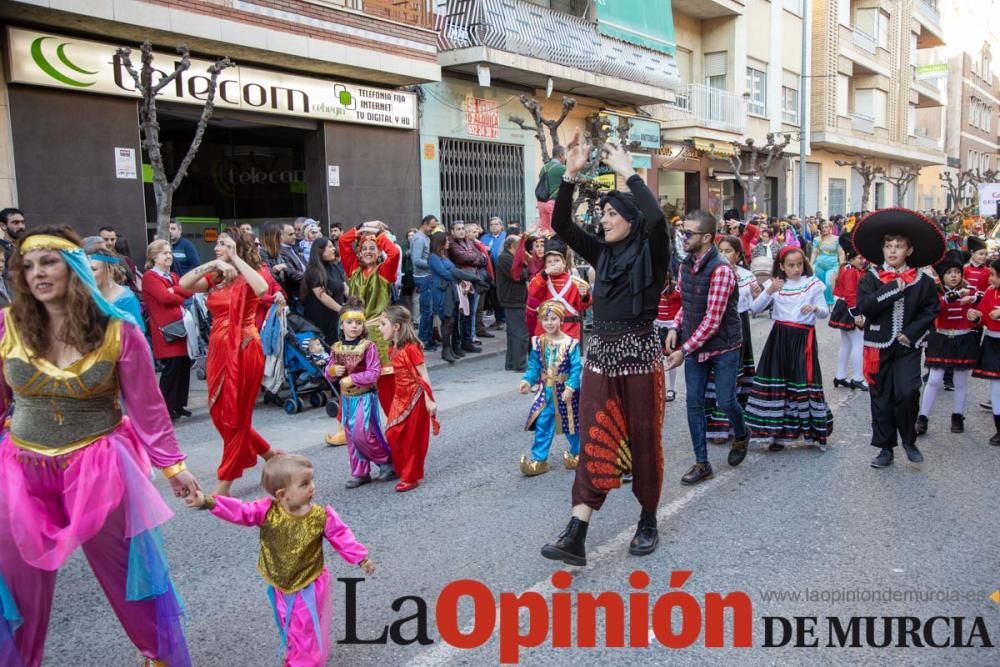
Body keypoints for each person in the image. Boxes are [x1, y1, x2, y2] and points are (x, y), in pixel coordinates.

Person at [0, 226, 199, 667]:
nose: (37, 274)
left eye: (48, 262)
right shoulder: (6, 326)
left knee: (130, 576)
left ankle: (158, 655)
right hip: (20, 469)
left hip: (98, 466)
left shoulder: (118, 331)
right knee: (16, 586)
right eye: (28, 266)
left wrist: (174, 468)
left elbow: (148, 409)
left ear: (73, 268)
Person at [541, 133, 669, 566]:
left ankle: (647, 518)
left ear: (631, 220)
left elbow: (658, 219)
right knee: (596, 434)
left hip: (640, 358)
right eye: (603, 212)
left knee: (644, 440)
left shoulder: (653, 251)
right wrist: (570, 178)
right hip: (600, 360)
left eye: (612, 213)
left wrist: (629, 174)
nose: (604, 219)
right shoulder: (601, 254)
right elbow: (560, 226)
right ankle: (576, 531)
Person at [186, 454, 374, 667]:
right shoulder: (266, 511)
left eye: (311, 481)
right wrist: (207, 502)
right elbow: (240, 511)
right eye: (304, 484)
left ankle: (304, 663)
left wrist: (361, 557)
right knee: (289, 622)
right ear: (282, 494)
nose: (312, 487)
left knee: (305, 625)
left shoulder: (321, 516)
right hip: (280, 583)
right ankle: (298, 654)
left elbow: (341, 535)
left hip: (309, 583)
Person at [180, 227, 279, 496]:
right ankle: (270, 454)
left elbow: (261, 289)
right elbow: (183, 284)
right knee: (218, 412)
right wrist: (214, 264)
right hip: (218, 348)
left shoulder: (251, 272)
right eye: (217, 245)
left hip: (244, 347)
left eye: (222, 244)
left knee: (235, 416)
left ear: (236, 246)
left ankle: (225, 480)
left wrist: (236, 260)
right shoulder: (216, 277)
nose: (216, 247)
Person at [853, 209, 943, 468]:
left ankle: (909, 440)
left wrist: (912, 333)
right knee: (881, 399)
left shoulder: (921, 280)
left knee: (907, 393)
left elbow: (931, 309)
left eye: (899, 246)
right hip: (877, 348)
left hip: (907, 347)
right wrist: (892, 289)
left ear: (909, 251)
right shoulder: (870, 278)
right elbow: (865, 307)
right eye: (888, 246)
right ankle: (885, 448)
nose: (892, 251)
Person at [665, 213, 749, 485]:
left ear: (706, 238)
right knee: (694, 403)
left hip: (723, 345)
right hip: (695, 346)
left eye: (689, 233)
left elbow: (713, 320)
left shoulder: (721, 270)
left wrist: (683, 350)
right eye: (682, 231)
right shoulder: (685, 265)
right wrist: (675, 327)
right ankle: (702, 463)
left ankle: (741, 433)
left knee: (726, 401)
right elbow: (686, 303)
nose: (683, 237)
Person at [744, 247, 832, 451]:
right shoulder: (775, 284)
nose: (796, 269)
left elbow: (824, 312)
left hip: (803, 339)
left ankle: (812, 433)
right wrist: (769, 290)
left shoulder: (812, 284)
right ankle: (776, 435)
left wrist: (815, 308)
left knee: (802, 383)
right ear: (781, 266)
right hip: (779, 338)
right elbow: (755, 308)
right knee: (778, 384)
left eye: (799, 264)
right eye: (791, 265)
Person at [326, 300, 394, 488]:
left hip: (365, 396)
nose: (354, 326)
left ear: (363, 325)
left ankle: (385, 459)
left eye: (358, 322)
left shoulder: (368, 346)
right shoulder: (336, 347)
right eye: (350, 322)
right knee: (350, 435)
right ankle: (360, 472)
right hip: (347, 399)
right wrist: (332, 371)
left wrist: (353, 378)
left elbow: (374, 372)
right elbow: (328, 373)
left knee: (362, 432)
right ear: (342, 325)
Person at [703, 235, 760, 445]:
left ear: (737, 254)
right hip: (718, 326)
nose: (725, 254)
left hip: (739, 325)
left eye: (729, 251)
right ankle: (715, 425)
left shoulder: (747, 276)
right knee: (717, 376)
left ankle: (736, 424)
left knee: (736, 375)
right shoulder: (713, 273)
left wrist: (758, 294)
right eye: (722, 250)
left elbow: (756, 307)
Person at [378, 306, 440, 492]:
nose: (379, 328)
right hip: (400, 397)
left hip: (415, 396)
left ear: (396, 327)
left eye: (383, 324)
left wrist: (429, 399)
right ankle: (403, 468)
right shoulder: (393, 349)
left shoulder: (412, 348)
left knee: (412, 439)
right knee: (393, 433)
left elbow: (423, 374)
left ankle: (410, 476)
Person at [917, 252, 980, 436]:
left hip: (963, 339)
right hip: (941, 338)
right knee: (934, 380)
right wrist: (950, 298)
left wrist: (975, 317)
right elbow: (934, 309)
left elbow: (979, 314)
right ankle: (923, 418)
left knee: (960, 381)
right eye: (949, 272)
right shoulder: (936, 291)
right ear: (942, 275)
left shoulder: (971, 291)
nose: (954, 275)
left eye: (957, 272)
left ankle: (958, 416)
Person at [518, 300, 582, 476]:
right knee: (543, 424)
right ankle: (539, 460)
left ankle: (580, 453)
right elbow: (533, 366)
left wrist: (570, 387)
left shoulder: (570, 343)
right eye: (545, 319)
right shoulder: (539, 342)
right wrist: (527, 381)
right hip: (545, 393)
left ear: (561, 320)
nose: (549, 323)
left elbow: (576, 368)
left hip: (566, 394)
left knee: (571, 426)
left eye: (553, 319)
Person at [339, 221, 401, 378]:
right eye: (364, 249)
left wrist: (378, 234)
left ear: (379, 251)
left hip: (378, 333)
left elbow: (394, 253)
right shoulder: (353, 270)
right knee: (357, 377)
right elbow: (343, 241)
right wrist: (362, 227)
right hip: (355, 332)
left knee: (383, 378)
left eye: (372, 248)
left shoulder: (384, 272)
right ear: (359, 253)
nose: (368, 252)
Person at [142, 239, 195, 419]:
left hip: (181, 327)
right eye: (165, 253)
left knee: (183, 366)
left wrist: (175, 290)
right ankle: (165, 407)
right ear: (154, 256)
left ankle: (178, 404)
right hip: (166, 330)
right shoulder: (150, 276)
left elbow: (189, 291)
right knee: (171, 369)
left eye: (170, 253)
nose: (169, 256)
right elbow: (165, 297)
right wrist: (176, 292)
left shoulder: (172, 276)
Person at [427, 231, 488, 364]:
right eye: (446, 241)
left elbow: (451, 271)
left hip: (452, 289)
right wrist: (457, 274)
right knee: (447, 320)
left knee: (452, 320)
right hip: (442, 291)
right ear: (440, 243)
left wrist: (456, 274)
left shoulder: (444, 256)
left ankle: (451, 348)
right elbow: (445, 274)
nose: (448, 242)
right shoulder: (433, 257)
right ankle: (446, 349)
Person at [526, 238, 590, 340]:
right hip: (546, 331)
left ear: (564, 263)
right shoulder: (542, 279)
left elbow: (582, 306)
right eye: (549, 261)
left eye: (556, 260)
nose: (553, 263)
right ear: (545, 265)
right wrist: (545, 273)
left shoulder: (574, 281)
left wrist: (585, 296)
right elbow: (532, 291)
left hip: (569, 330)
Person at [829, 244, 869, 391]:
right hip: (849, 308)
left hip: (842, 306)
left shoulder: (845, 268)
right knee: (859, 342)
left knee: (846, 343)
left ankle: (840, 376)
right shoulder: (851, 271)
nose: (862, 260)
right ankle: (858, 377)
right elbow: (851, 293)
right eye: (859, 257)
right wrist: (857, 314)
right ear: (852, 258)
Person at [971, 259, 1000, 445]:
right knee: (996, 386)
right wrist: (975, 316)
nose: (991, 278)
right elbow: (981, 315)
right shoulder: (990, 291)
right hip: (992, 341)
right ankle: (999, 428)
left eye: (995, 275)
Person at [448, 221, 488, 353]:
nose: (461, 231)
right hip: (462, 281)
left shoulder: (469, 242)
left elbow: (483, 257)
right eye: (458, 229)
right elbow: (462, 257)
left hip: (474, 279)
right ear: (452, 231)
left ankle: (468, 340)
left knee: (471, 312)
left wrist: (473, 259)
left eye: (462, 229)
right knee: (462, 313)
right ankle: (460, 342)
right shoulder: (452, 243)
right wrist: (474, 258)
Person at [301, 237, 345, 343]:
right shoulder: (313, 271)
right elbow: (322, 296)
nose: (334, 249)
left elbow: (344, 287)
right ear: (320, 251)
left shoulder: (334, 267)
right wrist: (341, 309)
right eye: (330, 247)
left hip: (335, 316)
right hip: (320, 318)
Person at [89, 248, 144, 332]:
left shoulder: (127, 300)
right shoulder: (88, 296)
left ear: (109, 270)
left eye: (93, 269)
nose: (88, 274)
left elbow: (137, 337)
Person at [497, 235, 530, 372]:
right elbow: (518, 275)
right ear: (513, 246)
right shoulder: (505, 258)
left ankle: (511, 363)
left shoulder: (509, 258)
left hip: (514, 299)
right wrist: (530, 270)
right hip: (513, 299)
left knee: (513, 333)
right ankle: (520, 364)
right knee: (520, 333)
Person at [411, 215, 437, 349]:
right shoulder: (419, 238)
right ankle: (423, 339)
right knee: (427, 310)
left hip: (428, 276)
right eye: (431, 227)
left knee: (430, 310)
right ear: (425, 224)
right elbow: (416, 260)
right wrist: (433, 263)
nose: (432, 230)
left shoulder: (426, 237)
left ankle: (428, 337)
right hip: (423, 277)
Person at [654, 273, 681, 402]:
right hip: (657, 325)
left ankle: (671, 388)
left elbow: (684, 304)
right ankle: (660, 388)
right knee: (657, 358)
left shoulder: (676, 288)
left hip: (671, 328)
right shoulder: (653, 287)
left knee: (671, 357)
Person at [481, 216, 508, 330]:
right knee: (493, 296)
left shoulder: (506, 236)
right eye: (491, 224)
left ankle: (502, 319)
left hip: (502, 270)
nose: (493, 226)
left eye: (496, 224)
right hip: (488, 270)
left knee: (501, 295)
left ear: (501, 226)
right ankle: (498, 318)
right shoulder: (484, 237)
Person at [536, 146, 567, 234]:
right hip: (553, 203)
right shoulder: (561, 168)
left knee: (545, 232)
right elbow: (577, 176)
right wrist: (593, 179)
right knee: (556, 232)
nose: (565, 158)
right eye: (565, 155)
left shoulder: (544, 168)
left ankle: (546, 247)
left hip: (541, 203)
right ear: (561, 155)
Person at [811, 220, 840, 306]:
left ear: (831, 228)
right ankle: (822, 302)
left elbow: (841, 253)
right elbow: (814, 253)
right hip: (819, 265)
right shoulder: (817, 239)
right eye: (822, 227)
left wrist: (842, 264)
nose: (824, 229)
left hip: (833, 265)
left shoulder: (837, 239)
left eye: (826, 227)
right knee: (821, 285)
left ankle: (830, 302)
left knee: (829, 283)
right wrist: (810, 264)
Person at [279, 223, 307, 303]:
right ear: (281, 236)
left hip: (305, 292)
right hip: (296, 297)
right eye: (290, 234)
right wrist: (312, 276)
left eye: (294, 234)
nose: (294, 237)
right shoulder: (281, 252)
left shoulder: (294, 248)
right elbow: (293, 275)